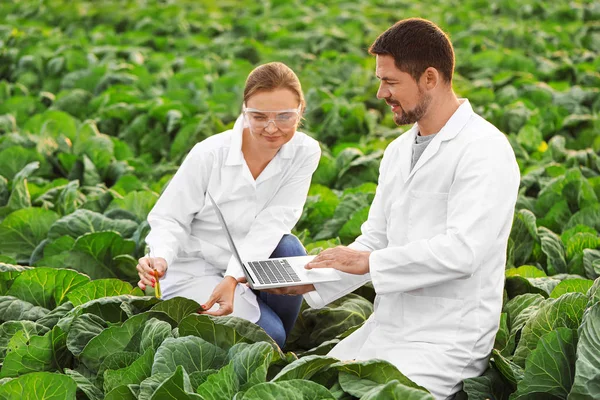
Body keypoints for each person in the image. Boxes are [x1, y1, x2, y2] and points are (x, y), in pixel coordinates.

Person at [265, 18, 520, 399]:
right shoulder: (399, 149)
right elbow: (376, 238)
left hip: (446, 340)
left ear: (430, 78)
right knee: (297, 388)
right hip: (387, 326)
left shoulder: (485, 149)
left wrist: (369, 263)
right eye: (380, 81)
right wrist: (312, 278)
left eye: (391, 81)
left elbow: (464, 251)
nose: (381, 93)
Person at [136, 62, 321, 348]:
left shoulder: (305, 151)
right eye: (259, 117)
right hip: (196, 266)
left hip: (248, 263)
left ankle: (275, 348)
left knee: (289, 250)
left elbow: (274, 221)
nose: (272, 128)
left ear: (301, 111)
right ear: (244, 111)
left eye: (285, 116)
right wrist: (160, 256)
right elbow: (170, 218)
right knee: (270, 337)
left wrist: (234, 277)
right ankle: (274, 342)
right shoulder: (210, 154)